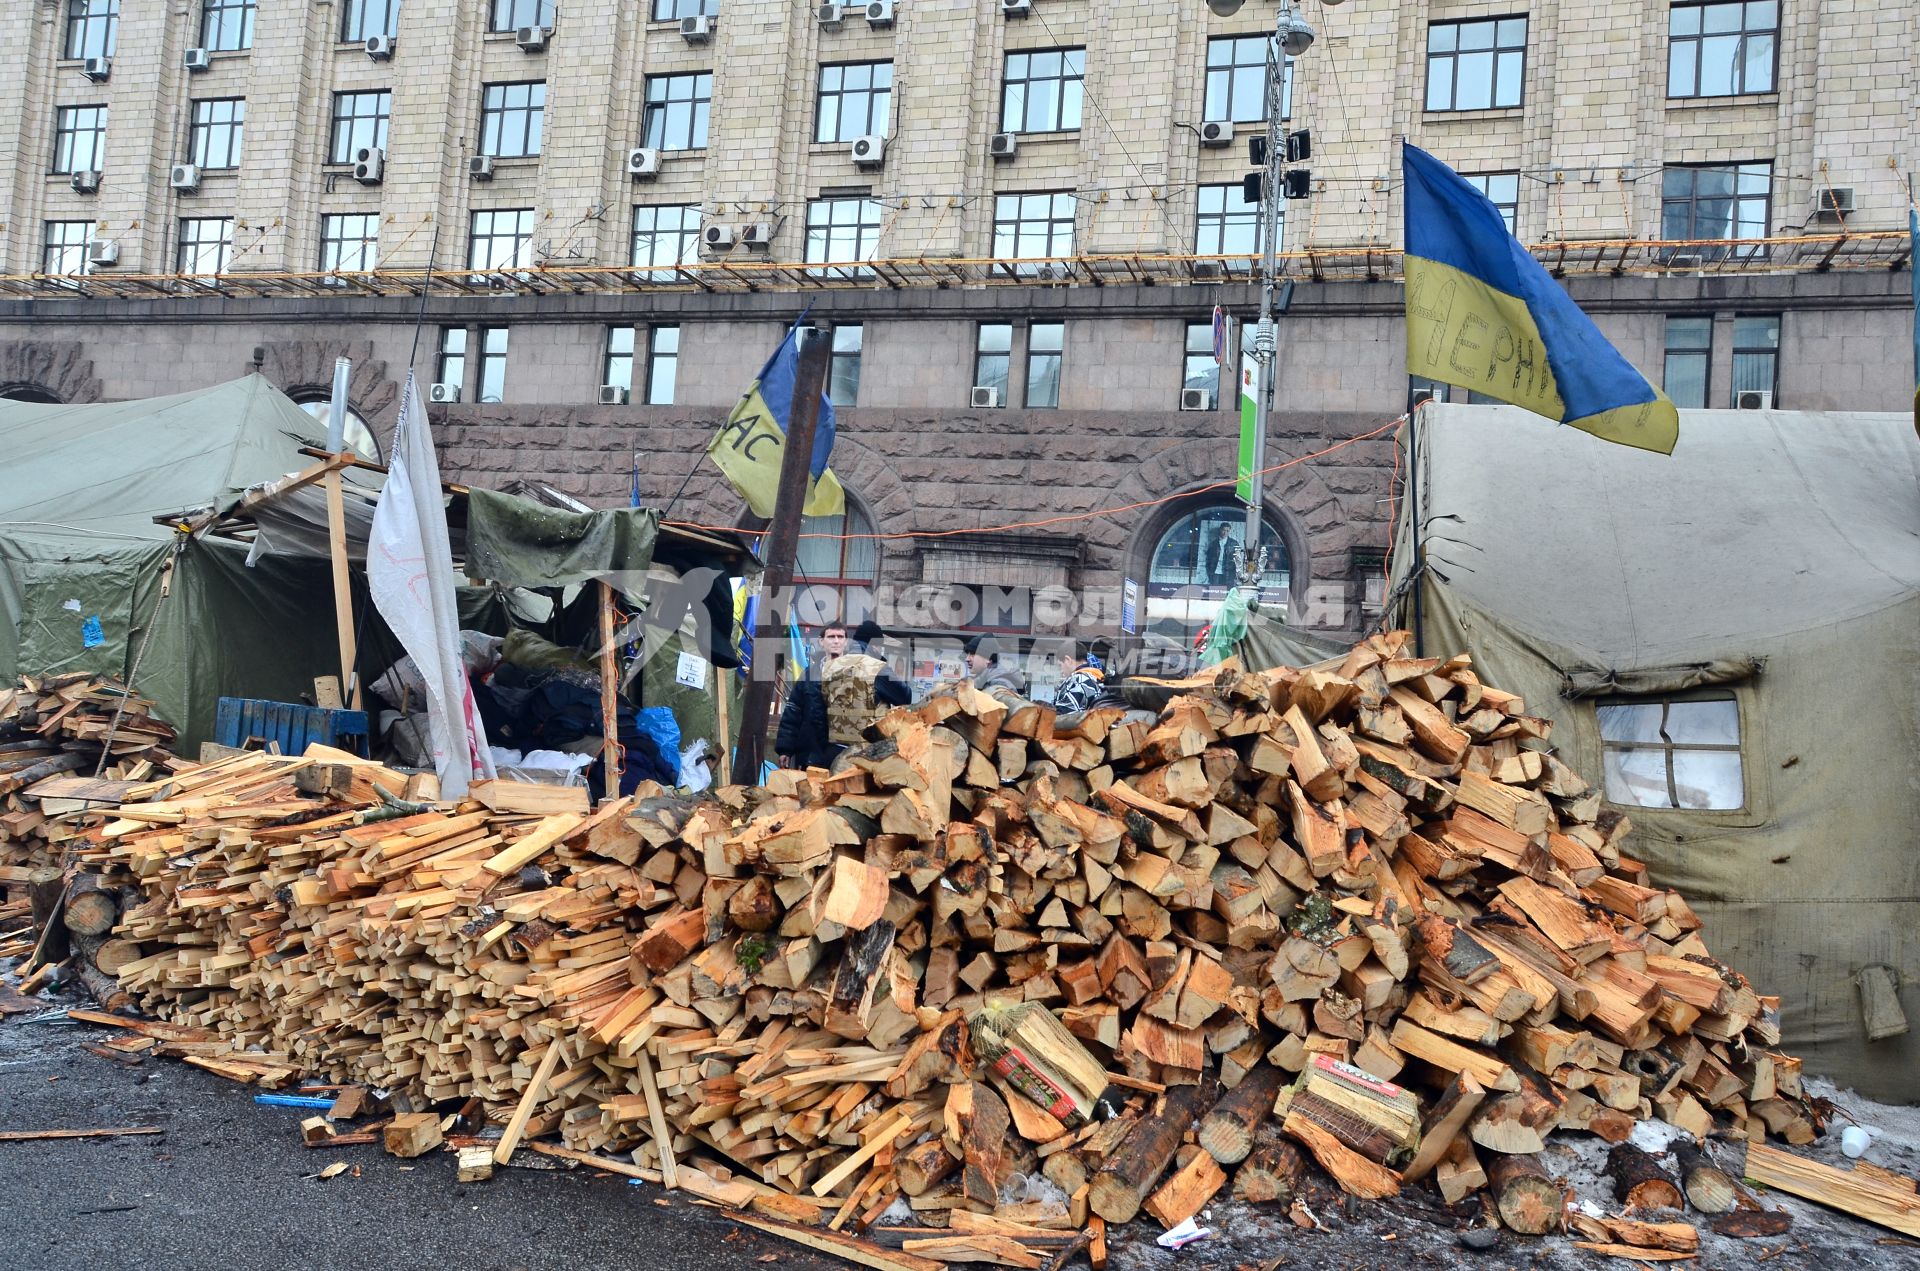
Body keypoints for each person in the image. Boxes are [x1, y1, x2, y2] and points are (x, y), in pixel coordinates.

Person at [823, 618, 910, 747]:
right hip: (865, 750)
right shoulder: (876, 667)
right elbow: (905, 696)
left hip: (834, 747)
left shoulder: (831, 666)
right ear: (875, 645)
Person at [775, 622, 841, 769]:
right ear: (821, 641)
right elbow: (793, 713)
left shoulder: (854, 675)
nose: (836, 641)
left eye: (840, 637)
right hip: (809, 755)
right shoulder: (809, 675)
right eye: (831, 636)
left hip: (841, 760)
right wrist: (785, 749)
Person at [1052, 644, 1121, 715]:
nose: (1061, 671)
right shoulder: (1097, 678)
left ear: (1067, 660)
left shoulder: (1077, 681)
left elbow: (1062, 718)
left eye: (1060, 665)